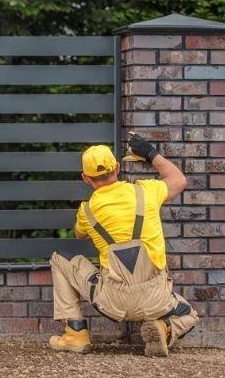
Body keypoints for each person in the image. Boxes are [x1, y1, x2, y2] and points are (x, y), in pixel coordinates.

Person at [49, 134, 198, 357]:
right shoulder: (146, 191)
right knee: (189, 315)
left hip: (112, 302)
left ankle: (75, 333)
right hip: (156, 300)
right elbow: (178, 180)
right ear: (117, 168)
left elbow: (79, 235)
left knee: (59, 258)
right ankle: (164, 327)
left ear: (85, 177)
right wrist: (150, 154)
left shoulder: (87, 210)